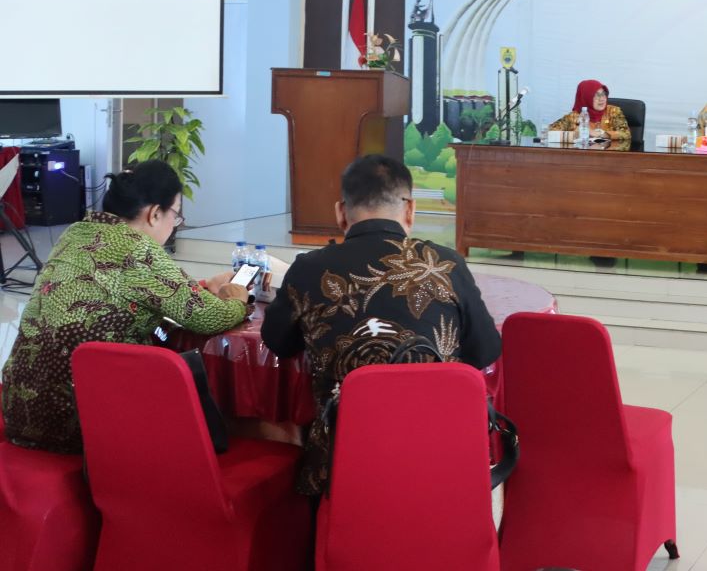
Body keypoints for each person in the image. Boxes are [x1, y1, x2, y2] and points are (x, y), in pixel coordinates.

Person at [262, 155, 500, 496]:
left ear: (341, 212)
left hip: (340, 464)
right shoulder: (444, 265)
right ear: (410, 209)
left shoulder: (308, 269)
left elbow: (278, 342)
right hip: (437, 457)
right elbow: (485, 350)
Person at [1, 161, 249, 453]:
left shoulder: (77, 231)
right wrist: (237, 298)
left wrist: (202, 286)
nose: (175, 224)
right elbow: (210, 317)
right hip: (83, 421)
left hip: (21, 408)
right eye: (176, 215)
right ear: (154, 214)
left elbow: (117, 285)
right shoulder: (137, 248)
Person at [548, 79, 631, 152]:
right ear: (586, 97)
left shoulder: (613, 111)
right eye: (596, 95)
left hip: (608, 157)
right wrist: (575, 135)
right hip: (581, 158)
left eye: (603, 94)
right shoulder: (574, 117)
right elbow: (548, 133)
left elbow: (626, 134)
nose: (602, 98)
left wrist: (600, 134)